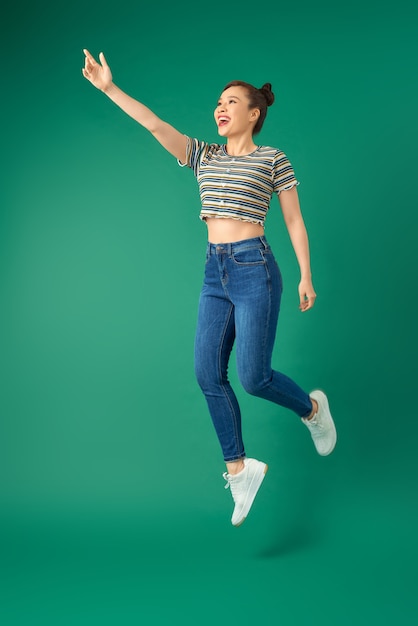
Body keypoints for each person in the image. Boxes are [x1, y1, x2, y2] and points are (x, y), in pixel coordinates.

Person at [82, 49, 337, 527]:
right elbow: (156, 125)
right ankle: (240, 470)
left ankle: (311, 408)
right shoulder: (203, 156)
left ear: (254, 113)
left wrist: (306, 273)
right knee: (206, 374)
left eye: (231, 102)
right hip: (213, 271)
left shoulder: (272, 159)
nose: (220, 108)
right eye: (217, 103)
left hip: (254, 267)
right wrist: (110, 88)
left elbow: (294, 220)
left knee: (254, 377)